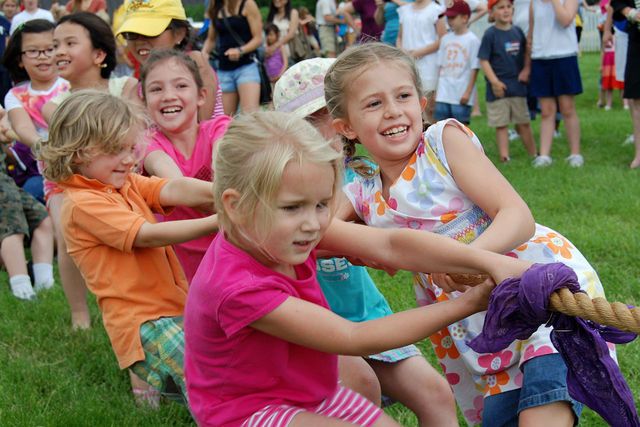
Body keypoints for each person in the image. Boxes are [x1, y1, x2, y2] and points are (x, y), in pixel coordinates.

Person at [183, 109, 535, 426]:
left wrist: (488, 260)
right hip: (244, 412)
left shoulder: (274, 229)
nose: (313, 223)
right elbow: (354, 338)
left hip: (305, 388)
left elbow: (389, 243)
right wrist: (467, 303)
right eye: (292, 208)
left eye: (323, 204)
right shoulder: (236, 286)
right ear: (236, 206)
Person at [326, 42, 615, 426]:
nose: (394, 110)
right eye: (373, 104)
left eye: (403, 96)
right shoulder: (361, 189)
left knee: (541, 409)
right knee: (504, 415)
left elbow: (517, 216)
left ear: (422, 102)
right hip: (476, 321)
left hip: (531, 285)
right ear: (346, 127)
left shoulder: (441, 143)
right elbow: (315, 230)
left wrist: (469, 258)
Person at [274, 56, 460, 425]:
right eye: (307, 121)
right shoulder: (286, 184)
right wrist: (362, 246)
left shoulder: (365, 178)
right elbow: (306, 240)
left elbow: (390, 237)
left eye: (324, 115)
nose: (320, 130)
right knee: (361, 386)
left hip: (367, 313)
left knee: (436, 394)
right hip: (312, 323)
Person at [38, 89, 219, 407]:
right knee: (213, 389)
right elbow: (147, 235)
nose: (128, 159)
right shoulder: (83, 203)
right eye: (114, 150)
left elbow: (174, 188)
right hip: (143, 325)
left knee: (214, 372)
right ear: (77, 152)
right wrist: (221, 220)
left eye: (128, 148)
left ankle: (149, 401)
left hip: (173, 310)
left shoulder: (123, 184)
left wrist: (224, 192)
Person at [139, 49, 231, 283]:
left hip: (231, 251)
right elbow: (180, 188)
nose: (169, 95)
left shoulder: (221, 127)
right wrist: (233, 201)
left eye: (180, 86)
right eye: (156, 89)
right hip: (179, 265)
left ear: (201, 95)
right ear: (145, 101)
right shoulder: (146, 143)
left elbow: (224, 164)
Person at [114, 0, 224, 121]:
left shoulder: (196, 63)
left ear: (179, 34)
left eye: (150, 32)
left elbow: (202, 126)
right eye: (131, 34)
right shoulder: (137, 90)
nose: (140, 41)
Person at [2, 20, 69, 203]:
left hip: (85, 164)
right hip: (42, 169)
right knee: (30, 193)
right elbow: (23, 128)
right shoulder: (16, 95)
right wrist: (45, 146)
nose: (43, 56)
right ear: (19, 59)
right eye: (33, 51)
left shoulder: (70, 84)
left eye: (50, 48)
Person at [478, 0, 537, 163]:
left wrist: (526, 69)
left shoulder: (518, 32)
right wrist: (495, 82)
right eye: (500, 7)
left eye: (509, 7)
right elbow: (484, 60)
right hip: (498, 89)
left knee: (524, 122)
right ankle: (505, 157)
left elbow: (526, 53)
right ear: (492, 12)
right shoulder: (490, 34)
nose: (506, 11)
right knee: (502, 124)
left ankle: (534, 155)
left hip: (517, 86)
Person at [527, 0, 583, 168]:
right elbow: (531, 32)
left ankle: (575, 153)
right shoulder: (534, 3)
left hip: (564, 57)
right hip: (540, 58)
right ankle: (544, 155)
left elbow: (565, 20)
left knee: (567, 108)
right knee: (546, 111)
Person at [0, 148, 54, 300]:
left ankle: (45, 283)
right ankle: (22, 289)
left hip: (5, 178)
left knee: (41, 217)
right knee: (12, 225)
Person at [202, 0, 263, 115]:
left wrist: (240, 51)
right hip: (224, 69)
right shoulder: (215, 7)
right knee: (225, 120)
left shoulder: (247, 4)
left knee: (250, 116)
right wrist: (204, 53)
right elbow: (211, 39)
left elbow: (258, 38)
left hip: (246, 66)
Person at [396, 0, 446, 123]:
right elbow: (400, 37)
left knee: (429, 105)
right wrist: (401, 49)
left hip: (429, 64)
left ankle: (432, 136)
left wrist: (420, 52)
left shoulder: (436, 10)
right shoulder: (405, 10)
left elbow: (443, 38)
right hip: (408, 64)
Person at [434, 0, 481, 126]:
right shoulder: (445, 39)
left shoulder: (472, 40)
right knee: (441, 127)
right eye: (448, 18)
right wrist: (437, 91)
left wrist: (468, 92)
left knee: (461, 128)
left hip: (460, 93)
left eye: (453, 17)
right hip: (443, 93)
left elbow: (474, 68)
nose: (450, 21)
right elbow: (441, 66)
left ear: (465, 18)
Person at [610, 0, 640, 168]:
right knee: (636, 99)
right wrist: (631, 13)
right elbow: (619, 3)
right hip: (637, 39)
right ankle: (639, 154)